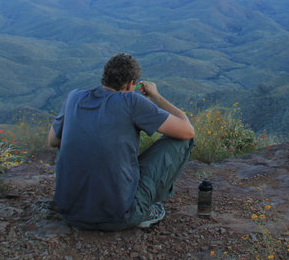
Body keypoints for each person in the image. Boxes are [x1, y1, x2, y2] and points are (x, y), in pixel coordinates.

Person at [48, 52, 194, 230]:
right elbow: (187, 131)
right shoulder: (131, 101)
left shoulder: (74, 97)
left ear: (105, 77)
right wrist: (156, 98)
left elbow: (52, 140)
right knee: (182, 141)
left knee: (72, 141)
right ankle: (143, 209)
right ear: (131, 83)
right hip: (118, 216)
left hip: (70, 212)